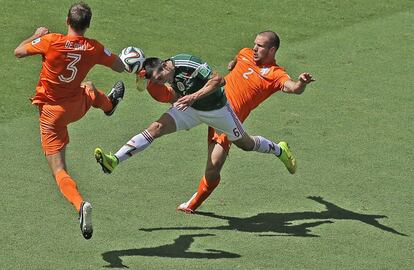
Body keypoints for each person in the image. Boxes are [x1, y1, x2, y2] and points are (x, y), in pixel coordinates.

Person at [135, 31, 314, 214]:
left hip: (226, 118)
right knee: (167, 110)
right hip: (208, 102)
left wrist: (301, 83)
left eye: (260, 46)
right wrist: (233, 63)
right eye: (255, 44)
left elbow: (293, 88)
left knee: (215, 166)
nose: (254, 48)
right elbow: (237, 59)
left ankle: (279, 150)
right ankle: (191, 206)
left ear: (272, 50)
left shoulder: (276, 74)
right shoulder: (246, 53)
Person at [94, 51, 298, 206]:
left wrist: (193, 97)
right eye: (156, 81)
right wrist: (145, 77)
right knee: (156, 127)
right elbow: (167, 94)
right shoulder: (161, 75)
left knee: (245, 144)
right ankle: (114, 160)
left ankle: (279, 150)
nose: (161, 81)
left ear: (165, 65)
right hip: (189, 109)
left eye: (160, 77)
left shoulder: (187, 63)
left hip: (217, 110)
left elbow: (219, 80)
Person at [14, 2, 126, 239]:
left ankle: (80, 205)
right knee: (90, 88)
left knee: (59, 170)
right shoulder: (93, 47)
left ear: (67, 21)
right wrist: (131, 61)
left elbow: (19, 51)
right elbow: (119, 66)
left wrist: (36, 35)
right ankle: (109, 105)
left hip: (51, 115)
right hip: (76, 107)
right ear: (88, 25)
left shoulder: (50, 41)